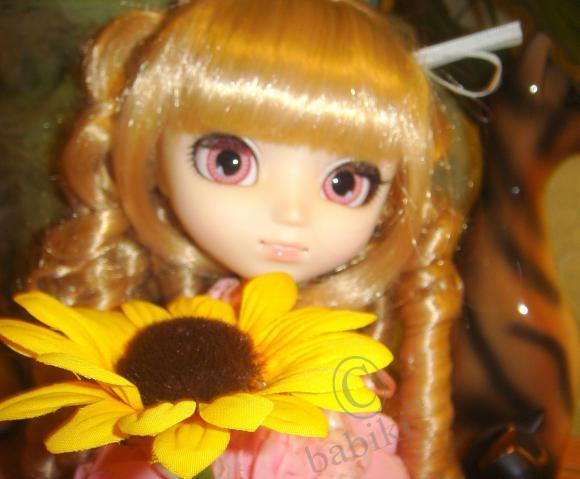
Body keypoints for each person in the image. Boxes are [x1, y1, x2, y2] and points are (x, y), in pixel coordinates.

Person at [25, 0, 473, 477]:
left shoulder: (339, 354)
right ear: (154, 159)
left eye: (345, 183)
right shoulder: (185, 336)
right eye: (230, 162)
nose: (291, 213)